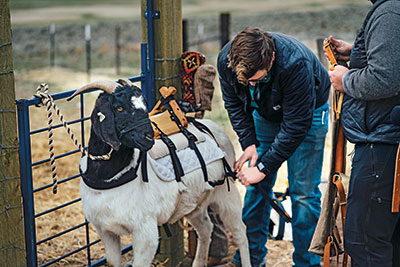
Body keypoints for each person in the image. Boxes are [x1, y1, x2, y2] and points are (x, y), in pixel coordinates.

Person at [216, 27, 331, 267]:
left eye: (256, 79)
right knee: (256, 189)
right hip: (266, 112)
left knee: (303, 194)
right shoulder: (226, 60)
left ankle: (307, 263)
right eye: (245, 81)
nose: (250, 84)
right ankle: (250, 259)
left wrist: (263, 167)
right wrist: (248, 142)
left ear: (271, 60)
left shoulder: (294, 63)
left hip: (308, 114)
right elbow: (234, 104)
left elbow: (297, 126)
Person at [326, 0, 400, 266]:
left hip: (381, 145)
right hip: (387, 141)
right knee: (386, 239)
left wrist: (344, 80)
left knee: (365, 241)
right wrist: (358, 53)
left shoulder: (390, 10)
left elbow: (384, 79)